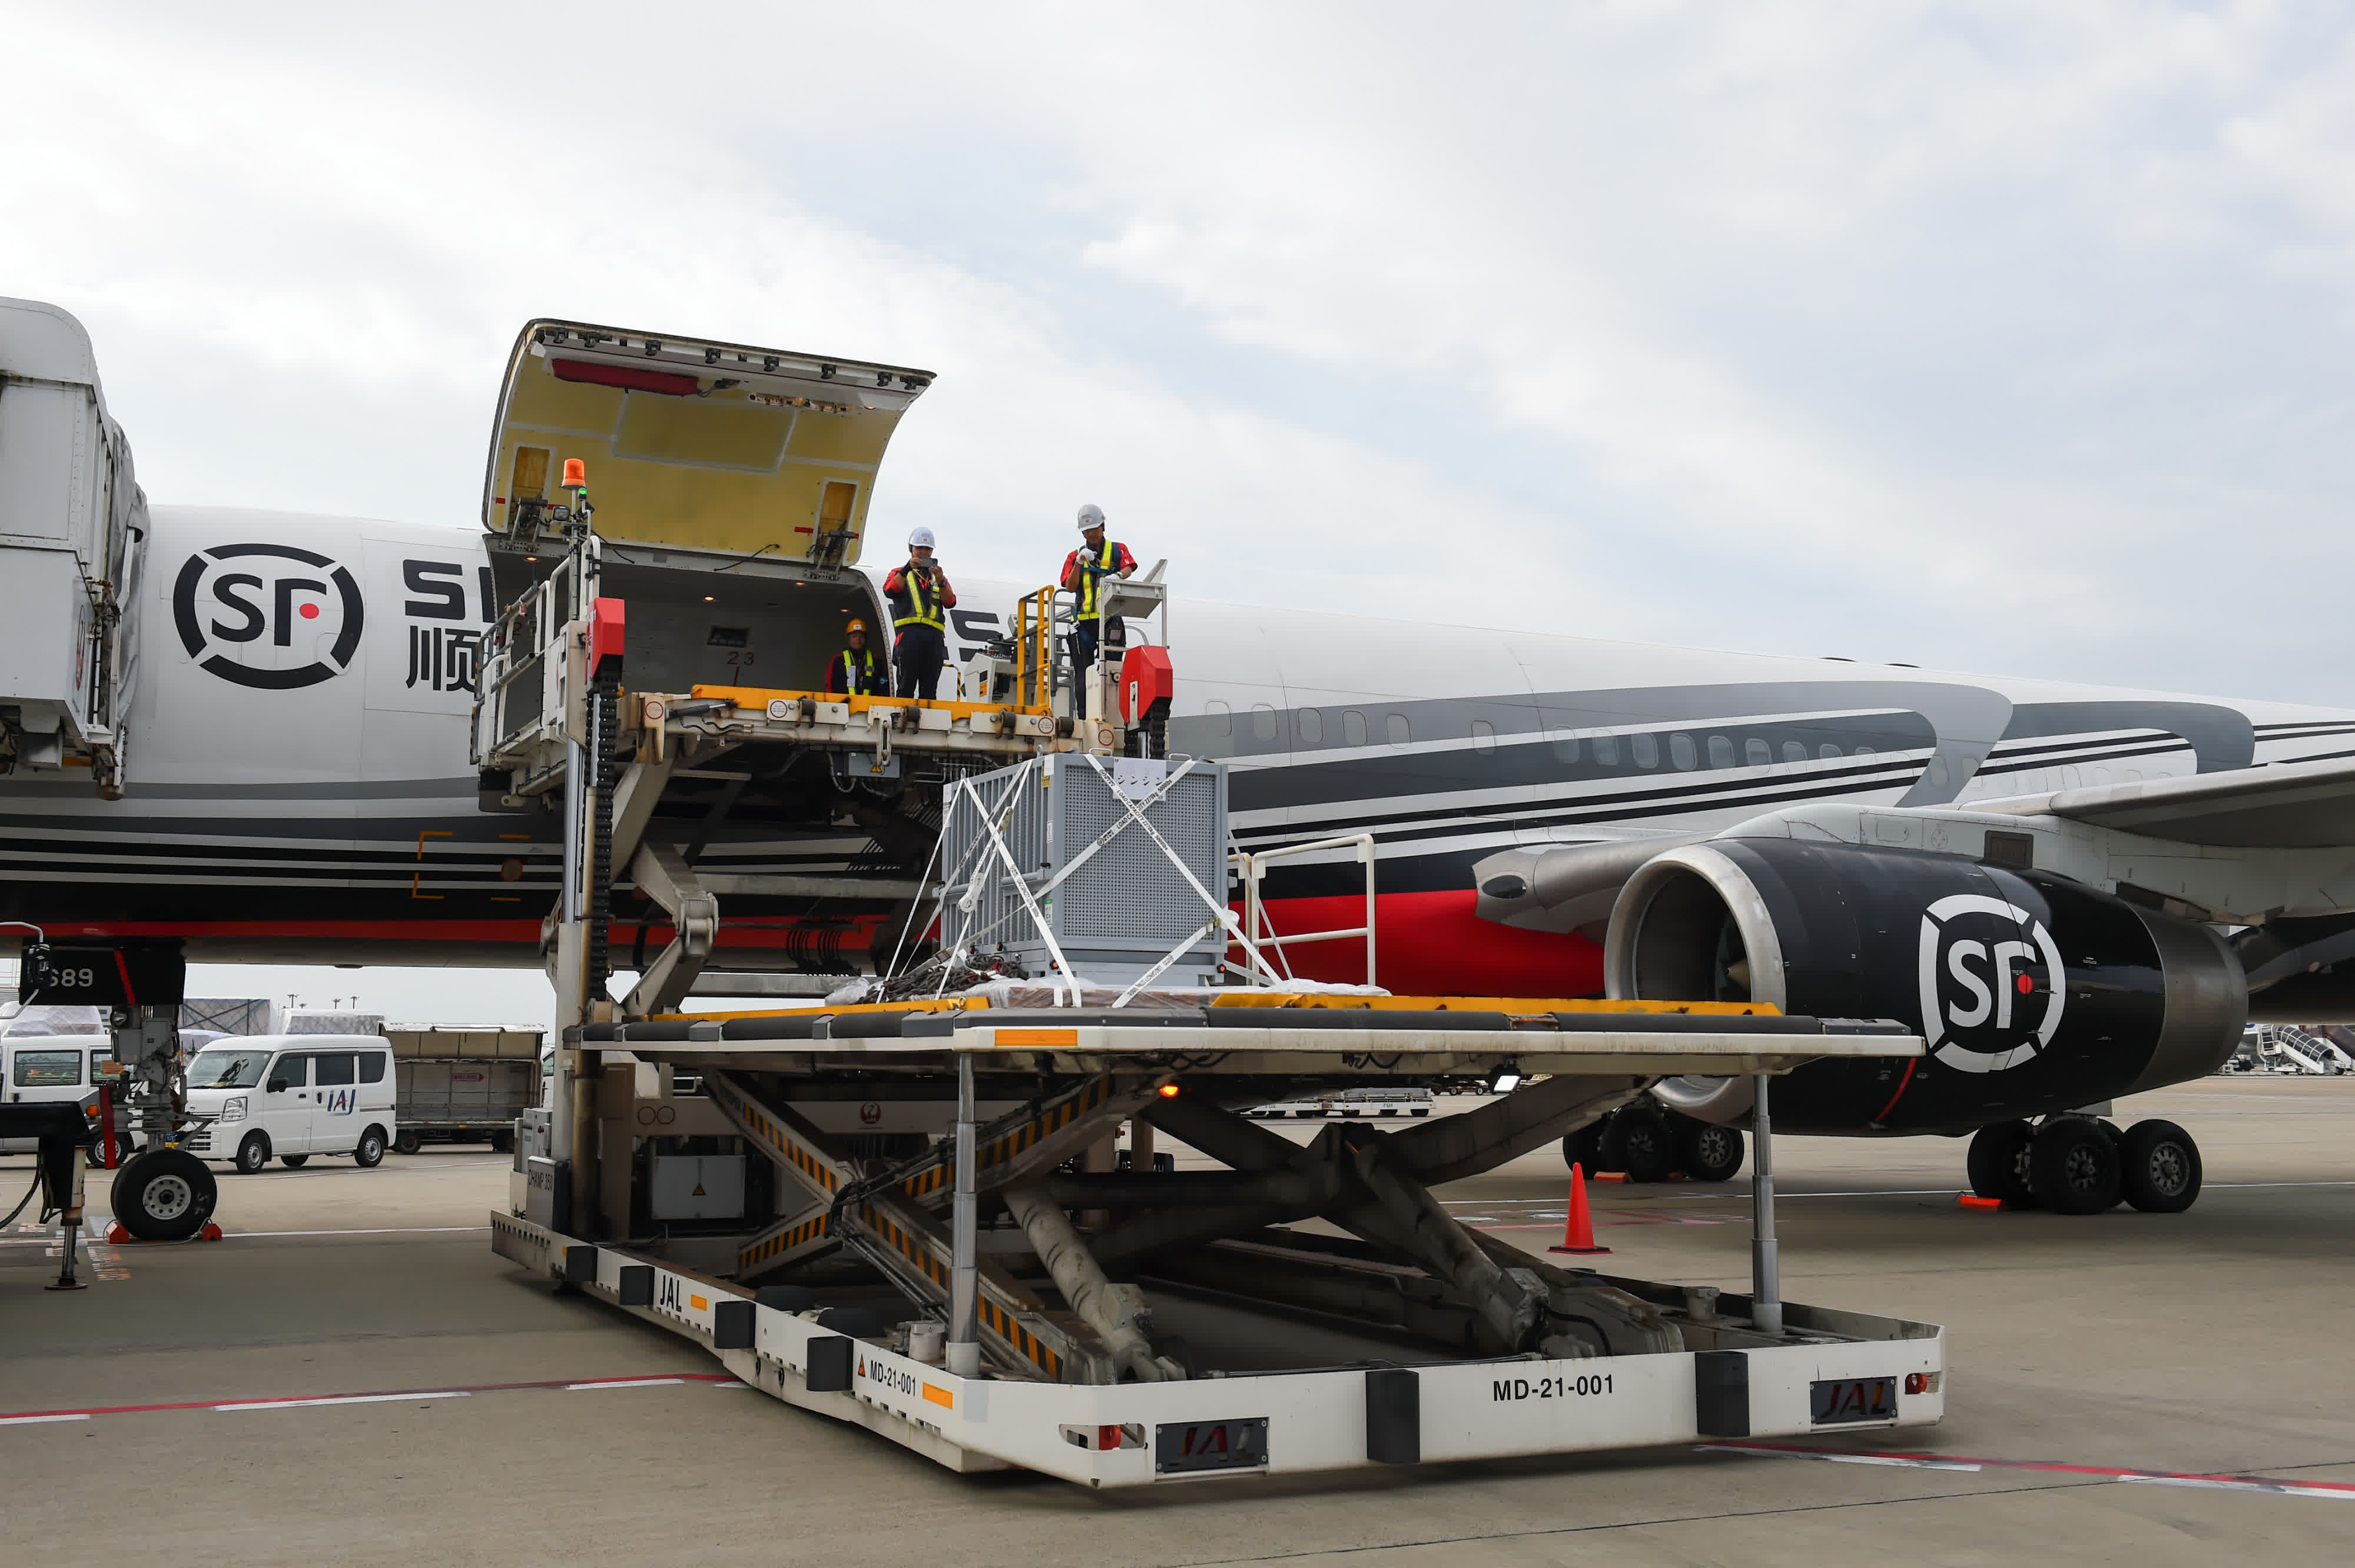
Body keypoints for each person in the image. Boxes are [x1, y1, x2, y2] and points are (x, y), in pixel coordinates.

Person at [1060, 503, 1137, 701]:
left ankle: (1112, 713)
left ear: (1102, 526)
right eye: (1086, 532)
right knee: (1083, 675)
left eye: (1094, 529)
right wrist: (1079, 563)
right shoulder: (1074, 556)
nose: (1091, 535)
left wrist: (1119, 575)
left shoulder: (1117, 550)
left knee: (1113, 672)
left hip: (1110, 618)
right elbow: (1070, 586)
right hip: (1083, 622)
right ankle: (1086, 717)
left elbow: (1130, 567)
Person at [883, 526, 956, 702]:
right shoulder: (899, 572)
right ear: (911, 549)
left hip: (934, 638)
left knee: (929, 691)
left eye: (928, 549)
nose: (924, 552)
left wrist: (941, 581)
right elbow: (890, 590)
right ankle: (901, 722)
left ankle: (927, 726)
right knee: (906, 686)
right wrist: (907, 569)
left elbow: (950, 602)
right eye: (919, 548)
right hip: (909, 636)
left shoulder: (938, 577)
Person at [824, 617, 889, 697]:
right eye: (854, 636)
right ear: (848, 639)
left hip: (871, 708)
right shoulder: (837, 661)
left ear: (866, 639)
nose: (858, 639)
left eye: (861, 636)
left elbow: (884, 688)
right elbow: (829, 688)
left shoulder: (877, 662)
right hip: (844, 707)